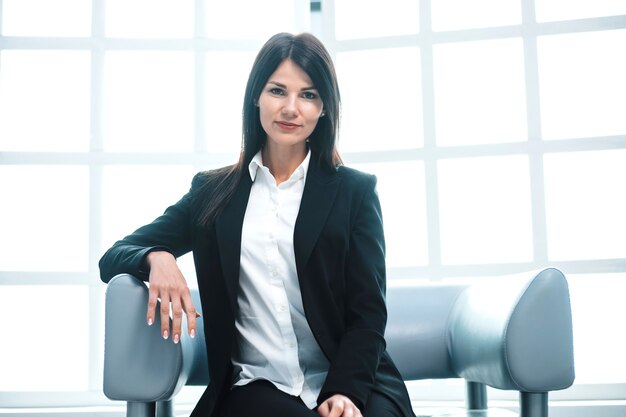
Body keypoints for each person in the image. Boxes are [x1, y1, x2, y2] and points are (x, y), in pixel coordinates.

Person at [99, 32, 415, 417]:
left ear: (325, 108)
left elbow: (368, 312)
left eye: (309, 95)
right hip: (256, 386)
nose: (291, 108)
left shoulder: (355, 193)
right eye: (278, 91)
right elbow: (113, 256)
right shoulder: (213, 193)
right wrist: (157, 257)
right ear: (256, 96)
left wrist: (345, 392)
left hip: (352, 380)